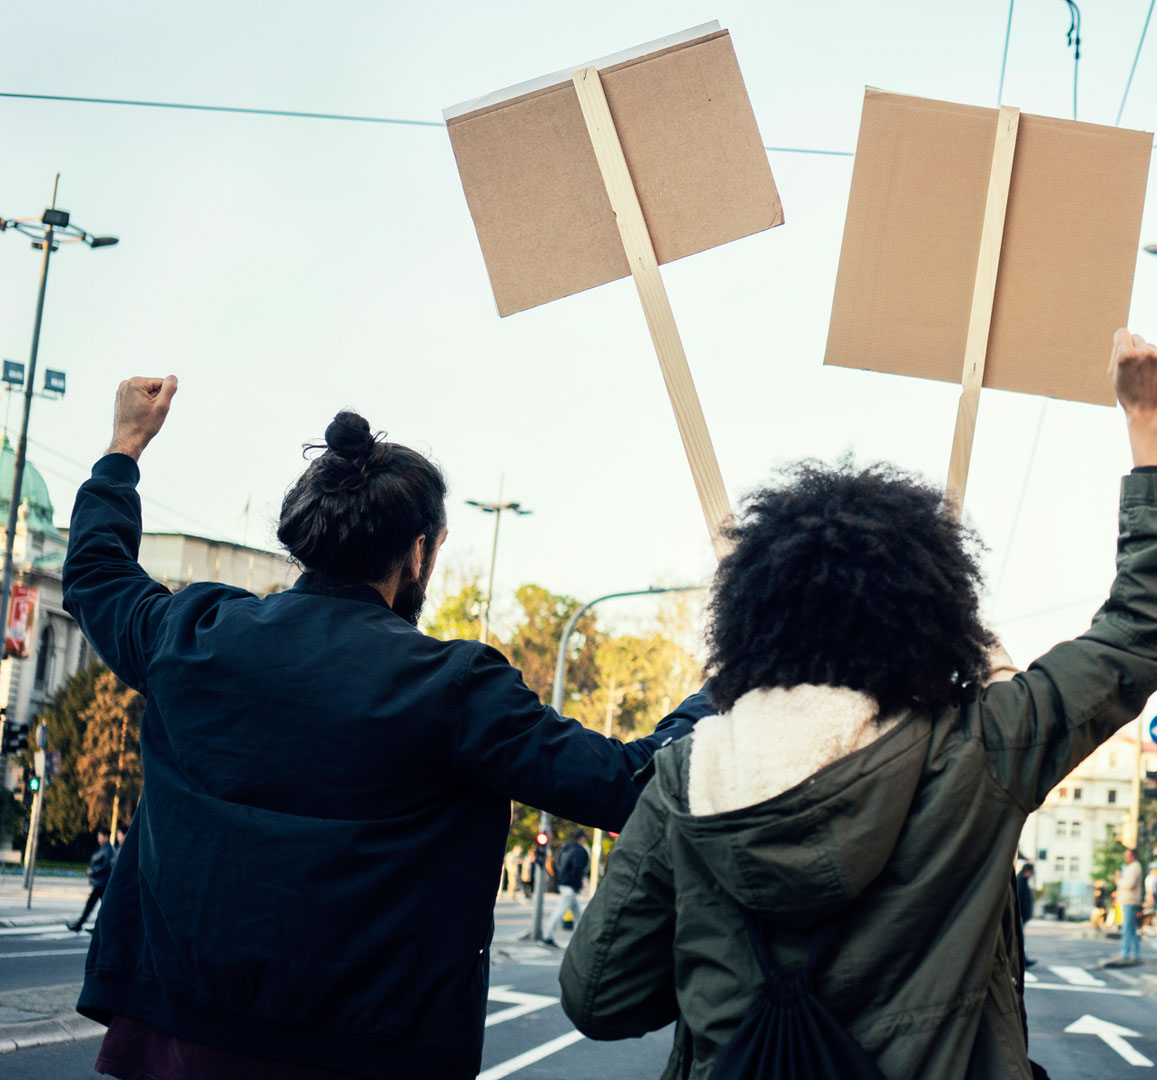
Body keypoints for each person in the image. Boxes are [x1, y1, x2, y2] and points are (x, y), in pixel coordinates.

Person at [560, 330, 1157, 1079]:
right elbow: (1146, 626)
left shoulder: (688, 776)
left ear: (751, 622)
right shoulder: (982, 748)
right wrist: (1149, 424)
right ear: (932, 617)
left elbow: (598, 996)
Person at [63, 378, 712, 1080]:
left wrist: (124, 448)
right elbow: (629, 784)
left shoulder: (192, 632)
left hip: (171, 1039)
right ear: (420, 552)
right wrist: (725, 685)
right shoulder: (454, 688)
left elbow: (97, 575)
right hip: (364, 1053)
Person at [542, 832, 592, 945]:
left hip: (564, 883)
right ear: (581, 838)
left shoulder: (565, 848)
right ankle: (547, 935)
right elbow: (577, 869)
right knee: (559, 912)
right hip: (570, 886)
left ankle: (584, 937)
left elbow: (558, 864)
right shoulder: (578, 851)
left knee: (578, 913)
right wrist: (576, 886)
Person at [67, 828, 118, 932]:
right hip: (100, 882)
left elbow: (106, 866)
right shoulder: (103, 848)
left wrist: (93, 872)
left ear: (106, 837)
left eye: (100, 836)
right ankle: (90, 926)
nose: (98, 838)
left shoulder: (108, 850)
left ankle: (84, 926)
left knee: (97, 906)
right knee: (101, 907)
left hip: (102, 883)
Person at [1113, 848, 1144, 964]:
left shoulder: (1135, 867)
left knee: (1127, 929)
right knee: (1131, 929)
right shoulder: (1132, 867)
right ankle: (1135, 953)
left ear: (1133, 856)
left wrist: (1118, 880)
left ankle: (1125, 953)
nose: (1126, 858)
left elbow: (1130, 885)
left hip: (1130, 901)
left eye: (1128, 856)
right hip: (1128, 901)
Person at [1015, 864, 1037, 968]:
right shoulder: (1020, 881)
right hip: (1020, 917)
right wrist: (1018, 915)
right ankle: (1022, 961)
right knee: (1019, 939)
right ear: (1027, 871)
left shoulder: (1022, 881)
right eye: (1031, 872)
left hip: (1022, 916)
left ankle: (1023, 960)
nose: (1032, 874)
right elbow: (1017, 900)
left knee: (1019, 939)